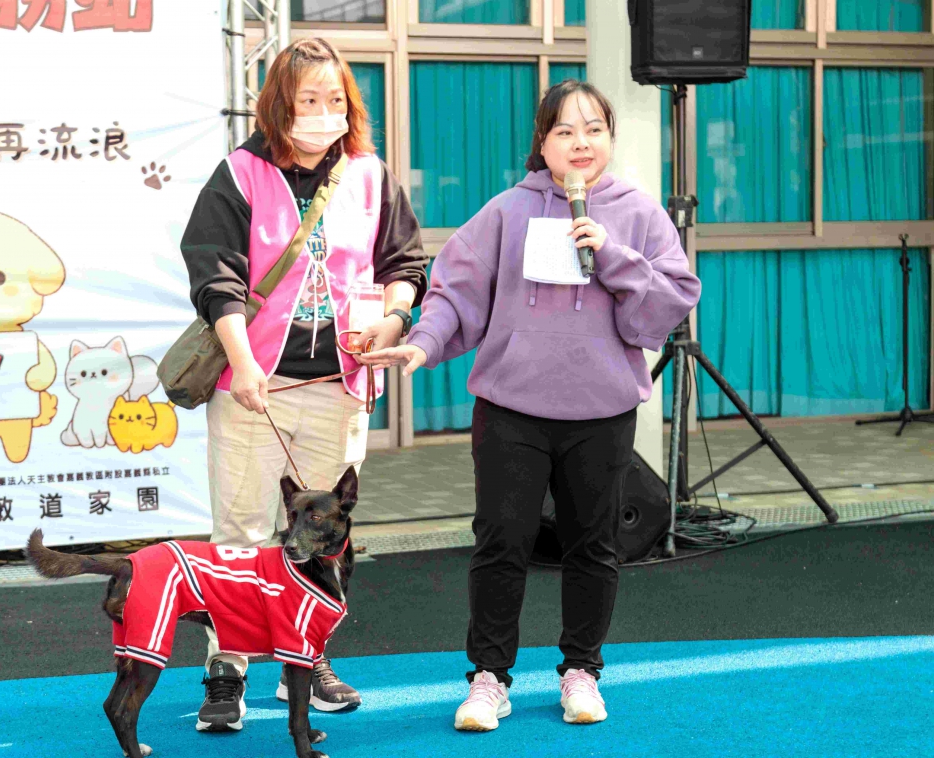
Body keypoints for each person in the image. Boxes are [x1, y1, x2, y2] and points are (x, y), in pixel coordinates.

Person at [361, 80, 701, 731]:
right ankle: (488, 678)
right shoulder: (506, 211)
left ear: (609, 138)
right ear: (542, 143)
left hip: (600, 412)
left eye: (593, 129)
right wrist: (422, 343)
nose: (580, 143)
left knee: (593, 546)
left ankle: (582, 672)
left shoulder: (637, 212)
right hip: (511, 409)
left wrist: (612, 254)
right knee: (500, 542)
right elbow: (456, 293)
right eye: (564, 131)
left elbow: (673, 296)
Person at [180, 37, 427, 732]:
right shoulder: (240, 173)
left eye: (333, 99)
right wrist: (243, 363)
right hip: (254, 385)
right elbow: (215, 275)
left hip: (339, 386)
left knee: (323, 536)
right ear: (278, 106)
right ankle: (227, 669)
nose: (322, 113)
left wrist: (393, 318)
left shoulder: (369, 174)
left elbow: (404, 261)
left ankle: (309, 656)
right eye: (306, 100)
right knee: (240, 533)